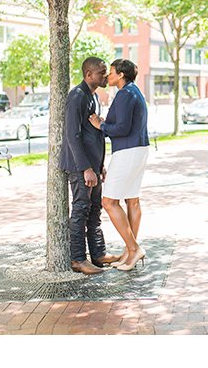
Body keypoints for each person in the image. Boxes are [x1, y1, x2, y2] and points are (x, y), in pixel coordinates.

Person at [60, 57, 120, 275]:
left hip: (93, 166)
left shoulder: (93, 96)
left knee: (95, 210)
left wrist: (99, 165)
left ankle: (98, 254)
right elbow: (72, 136)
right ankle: (77, 259)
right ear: (89, 74)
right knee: (81, 210)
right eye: (102, 72)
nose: (105, 76)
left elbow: (92, 134)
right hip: (79, 166)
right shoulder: (77, 97)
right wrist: (85, 167)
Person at [89, 58, 149, 272]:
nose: (108, 76)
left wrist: (101, 125)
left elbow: (121, 128)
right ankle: (129, 251)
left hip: (127, 151)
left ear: (121, 75)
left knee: (108, 202)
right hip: (139, 149)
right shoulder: (134, 92)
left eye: (111, 72)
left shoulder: (124, 94)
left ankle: (133, 249)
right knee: (132, 200)